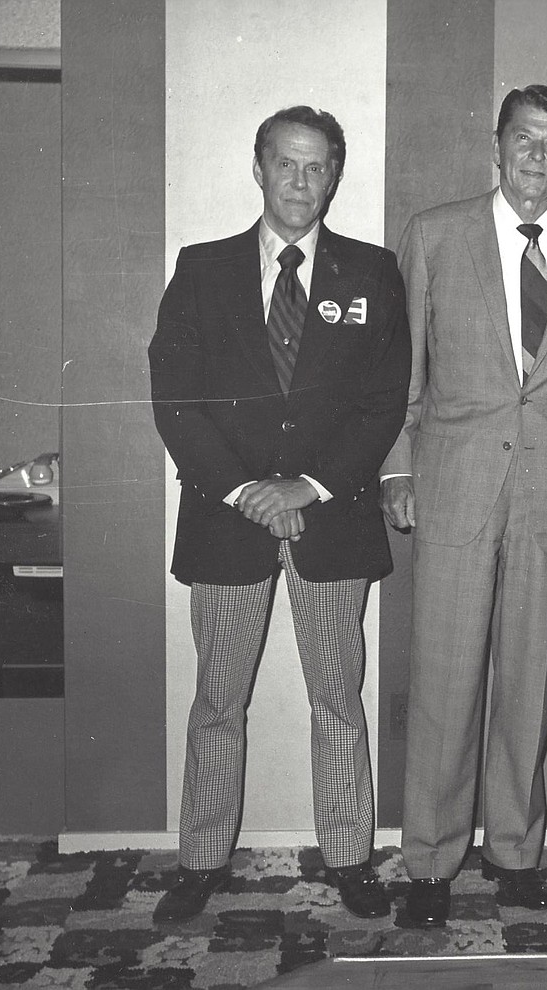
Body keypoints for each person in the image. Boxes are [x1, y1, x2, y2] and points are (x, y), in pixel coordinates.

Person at [380, 84, 547, 927]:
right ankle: (430, 862)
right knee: (446, 681)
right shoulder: (435, 233)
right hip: (452, 488)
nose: (536, 154)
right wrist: (395, 469)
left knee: (531, 679)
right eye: (522, 137)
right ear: (497, 146)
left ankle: (515, 852)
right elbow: (399, 369)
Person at [148, 106, 410, 924]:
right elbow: (175, 396)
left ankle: (347, 857)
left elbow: (382, 403)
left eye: (317, 167)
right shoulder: (202, 268)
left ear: (335, 175)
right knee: (218, 700)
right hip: (228, 521)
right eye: (286, 164)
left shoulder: (371, 272)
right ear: (257, 167)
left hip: (331, 521)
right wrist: (242, 490)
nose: (301, 182)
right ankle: (199, 860)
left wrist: (309, 488)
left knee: (339, 697)